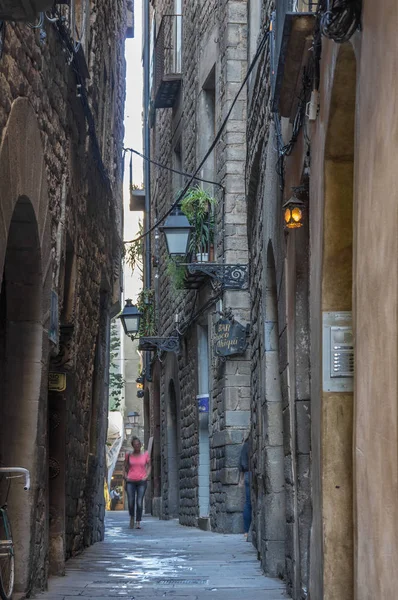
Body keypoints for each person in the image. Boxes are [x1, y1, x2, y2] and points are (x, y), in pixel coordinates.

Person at [124, 437, 151, 529]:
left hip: (141, 481)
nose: (137, 446)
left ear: (140, 445)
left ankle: (138, 521)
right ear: (132, 446)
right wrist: (125, 476)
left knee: (139, 502)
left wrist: (146, 476)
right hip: (130, 481)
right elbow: (125, 467)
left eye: (138, 444)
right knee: (131, 502)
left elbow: (149, 466)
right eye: (135, 445)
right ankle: (132, 516)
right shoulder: (128, 455)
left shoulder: (145, 454)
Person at [238, 434, 252, 539]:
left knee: (248, 503)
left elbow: (241, 463)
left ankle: (246, 531)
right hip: (251, 473)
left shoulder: (245, 445)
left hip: (247, 474)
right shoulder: (250, 444)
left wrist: (241, 480)